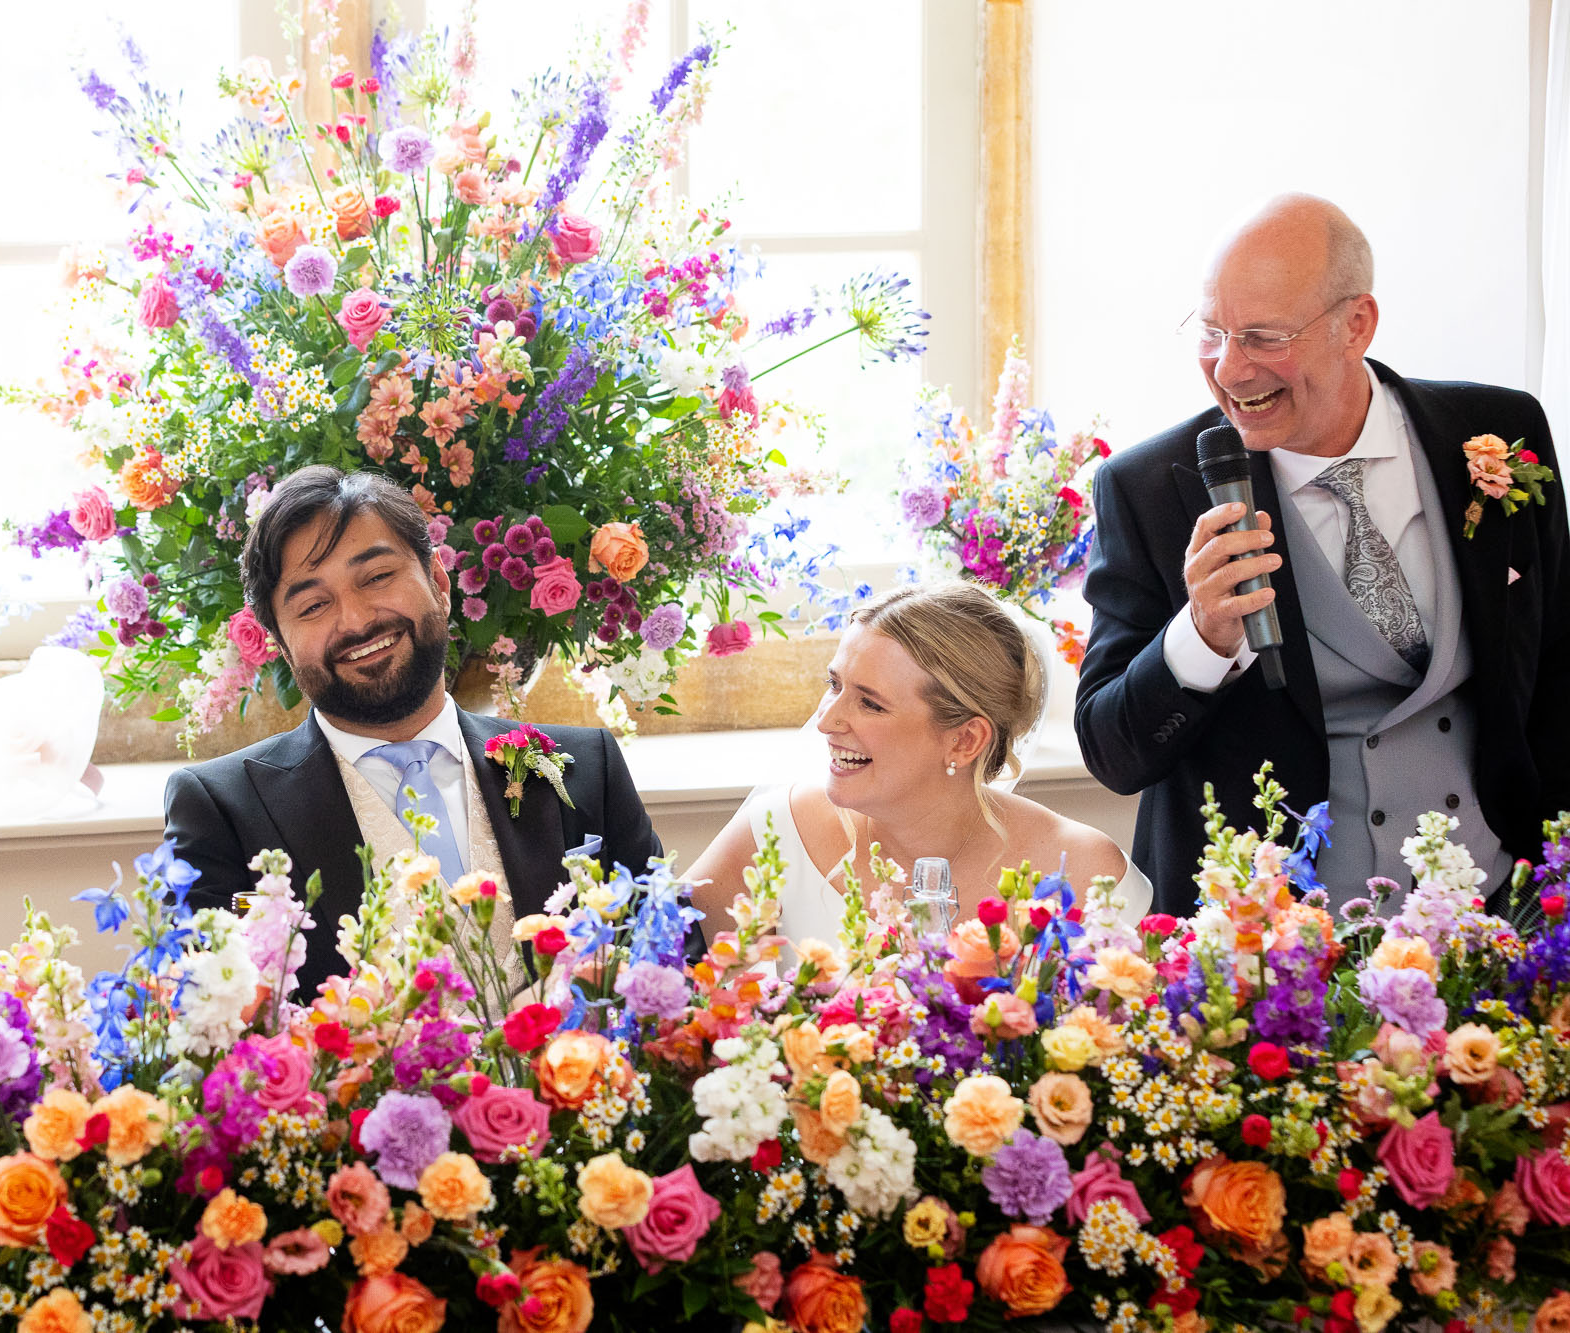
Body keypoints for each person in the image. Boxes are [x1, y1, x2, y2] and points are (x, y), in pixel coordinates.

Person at [1076, 193, 1568, 920]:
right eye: (1211, 332)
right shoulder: (1148, 489)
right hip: (1272, 943)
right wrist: (1201, 637)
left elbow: (1556, 666)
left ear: (1357, 324)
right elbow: (1114, 755)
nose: (1229, 369)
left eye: (1263, 337)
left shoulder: (1496, 429)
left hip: (1499, 911)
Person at [164, 466, 664, 994]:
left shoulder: (589, 766)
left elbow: (669, 966)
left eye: (377, 577)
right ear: (282, 647)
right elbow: (209, 1021)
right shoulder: (220, 810)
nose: (356, 621)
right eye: (313, 605)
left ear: (439, 583)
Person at [687, 583, 1146, 941]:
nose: (825, 721)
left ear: (965, 740)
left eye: (870, 703)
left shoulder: (1087, 874)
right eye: (834, 685)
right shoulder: (772, 836)